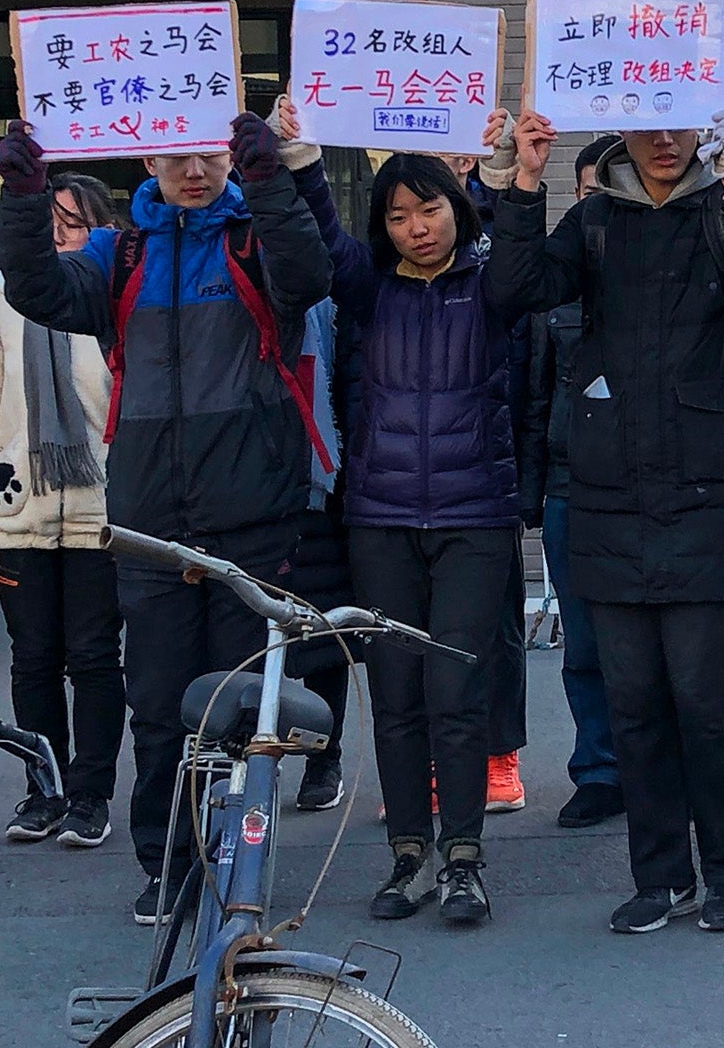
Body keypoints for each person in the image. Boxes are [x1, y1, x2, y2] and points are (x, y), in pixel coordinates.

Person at [0, 110, 331, 925]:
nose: (193, 170)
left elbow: (311, 278)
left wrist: (271, 180)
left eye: (210, 156)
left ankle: (237, 857)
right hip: (150, 522)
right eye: (176, 155)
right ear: (147, 155)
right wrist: (24, 193)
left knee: (241, 705)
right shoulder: (121, 254)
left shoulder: (253, 237)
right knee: (158, 704)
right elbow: (36, 288)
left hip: (252, 514)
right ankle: (168, 864)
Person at [489, 97, 724, 937]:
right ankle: (658, 876)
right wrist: (523, 181)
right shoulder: (596, 220)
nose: (664, 141)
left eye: (680, 124)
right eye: (647, 124)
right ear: (621, 128)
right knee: (633, 704)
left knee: (706, 701)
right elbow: (513, 288)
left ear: (704, 128)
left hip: (715, 498)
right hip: (610, 497)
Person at [277, 99, 521, 926]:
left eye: (431, 208)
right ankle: (406, 855)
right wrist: (306, 160)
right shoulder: (367, 291)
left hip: (474, 519)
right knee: (396, 697)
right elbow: (327, 237)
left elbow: (518, 250)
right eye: (399, 214)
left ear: (458, 209)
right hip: (379, 519)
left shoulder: (491, 289)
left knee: (456, 693)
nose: (417, 226)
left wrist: (498, 169)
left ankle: (463, 859)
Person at [0, 172, 124, 851]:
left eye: (72, 226)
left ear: (100, 230)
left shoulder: (115, 296)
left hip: (101, 504)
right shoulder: (1, 300)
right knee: (33, 657)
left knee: (94, 656)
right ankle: (42, 788)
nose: (57, 238)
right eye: (47, 226)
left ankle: (90, 794)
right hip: (16, 502)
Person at [518, 134, 626, 830]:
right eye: (585, 192)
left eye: (606, 192)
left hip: (653, 490)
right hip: (570, 486)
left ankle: (653, 765)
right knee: (584, 644)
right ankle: (598, 769)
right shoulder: (556, 288)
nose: (595, 206)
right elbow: (534, 398)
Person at [440, 140, 531, 817]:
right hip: (405, 466)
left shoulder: (496, 238)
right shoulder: (386, 241)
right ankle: (433, 765)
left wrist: (503, 179)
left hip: (490, 453)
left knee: (493, 622)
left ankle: (499, 755)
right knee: (416, 630)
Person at [281, 294, 354, 816]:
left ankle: (322, 757)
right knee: (240, 635)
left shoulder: (325, 307)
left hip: (317, 482)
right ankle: (249, 756)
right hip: (237, 475)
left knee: (320, 636)